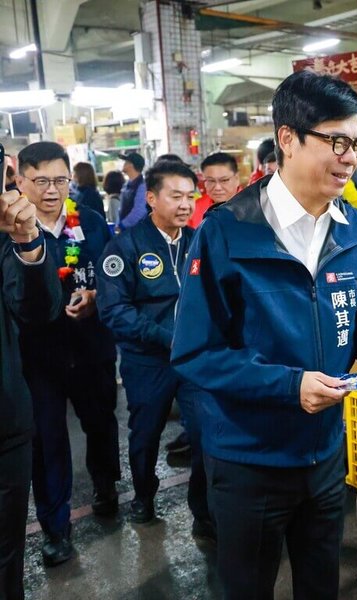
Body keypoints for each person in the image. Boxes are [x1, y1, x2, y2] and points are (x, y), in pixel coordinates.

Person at [170, 70, 357, 600]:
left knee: (319, 585)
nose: (351, 157)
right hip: (250, 460)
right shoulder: (227, 231)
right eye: (336, 141)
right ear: (287, 138)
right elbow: (196, 354)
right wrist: (289, 386)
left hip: (328, 454)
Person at [14, 142, 120, 567]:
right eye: (40, 181)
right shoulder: (14, 232)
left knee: (101, 423)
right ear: (20, 182)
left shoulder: (91, 223)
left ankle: (106, 486)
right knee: (47, 441)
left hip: (91, 347)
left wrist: (97, 295)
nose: (52, 190)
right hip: (38, 357)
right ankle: (56, 528)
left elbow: (114, 274)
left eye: (60, 180)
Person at [96, 160, 213, 538]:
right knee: (145, 434)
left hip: (194, 361)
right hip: (147, 361)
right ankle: (144, 496)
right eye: (175, 196)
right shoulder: (126, 246)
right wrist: (167, 336)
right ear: (151, 199)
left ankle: (203, 512)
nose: (185, 204)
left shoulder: (199, 241)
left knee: (203, 434)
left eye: (190, 196)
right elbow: (114, 311)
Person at [0, 177, 62, 600]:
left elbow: (38, 308)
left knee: (7, 557)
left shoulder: (8, 232)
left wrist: (27, 242)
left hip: (5, 420)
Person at [189, 152, 241, 228]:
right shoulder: (194, 208)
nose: (217, 187)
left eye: (224, 180)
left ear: (237, 179)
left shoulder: (254, 206)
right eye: (211, 181)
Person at [118, 152, 147, 231]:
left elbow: (139, 211)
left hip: (137, 233)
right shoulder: (127, 184)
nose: (123, 164)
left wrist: (122, 225)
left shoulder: (142, 186)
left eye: (126, 162)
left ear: (131, 165)